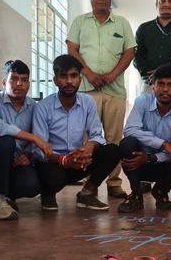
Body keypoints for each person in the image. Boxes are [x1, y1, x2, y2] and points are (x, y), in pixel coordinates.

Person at [66, 0, 136, 199]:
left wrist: (111, 76)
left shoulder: (121, 23)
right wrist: (88, 74)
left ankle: (114, 183)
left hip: (115, 91)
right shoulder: (80, 22)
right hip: (86, 91)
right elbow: (72, 49)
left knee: (114, 139)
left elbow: (130, 51)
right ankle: (90, 181)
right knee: (88, 139)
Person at [32, 54, 121, 212]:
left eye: (74, 76)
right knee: (53, 178)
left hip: (78, 161)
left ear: (80, 79)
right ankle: (48, 194)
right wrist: (65, 160)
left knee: (112, 151)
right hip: (53, 163)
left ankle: (86, 194)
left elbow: (97, 136)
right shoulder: (43, 107)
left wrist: (89, 147)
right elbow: (38, 150)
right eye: (63, 76)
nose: (69, 81)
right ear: (55, 80)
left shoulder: (87, 102)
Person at [0, 60, 53, 220]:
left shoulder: (35, 107)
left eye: (24, 80)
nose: (19, 84)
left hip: (16, 162)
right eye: (14, 79)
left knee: (31, 186)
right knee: (6, 140)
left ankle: (7, 198)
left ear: (29, 84)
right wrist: (32, 138)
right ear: (4, 82)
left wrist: (29, 154)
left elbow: (39, 133)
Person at [117, 64, 171, 213]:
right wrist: (164, 144)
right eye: (161, 84)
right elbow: (130, 130)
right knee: (127, 143)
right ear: (153, 86)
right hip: (137, 164)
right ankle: (136, 194)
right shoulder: (142, 102)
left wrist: (151, 158)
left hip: (164, 165)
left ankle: (161, 190)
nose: (165, 89)